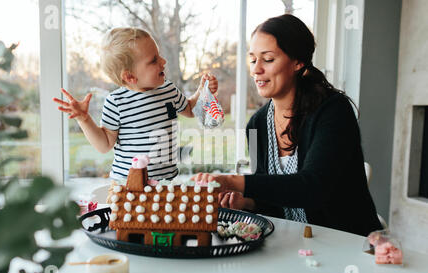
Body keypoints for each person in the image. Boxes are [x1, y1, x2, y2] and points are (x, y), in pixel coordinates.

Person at [194, 15, 382, 236]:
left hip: (347, 243)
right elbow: (274, 202)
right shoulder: (256, 124)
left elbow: (313, 188)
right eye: (253, 59)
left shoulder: (333, 111)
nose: (256, 70)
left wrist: (234, 181)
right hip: (293, 243)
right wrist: (247, 203)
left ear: (297, 61)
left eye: (268, 59)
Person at [53, 27, 218, 181]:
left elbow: (189, 109)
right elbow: (105, 145)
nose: (163, 61)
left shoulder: (168, 89)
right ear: (130, 77)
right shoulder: (116, 102)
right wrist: (84, 119)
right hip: (128, 185)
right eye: (154, 60)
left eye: (158, 55)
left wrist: (203, 93)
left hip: (166, 182)